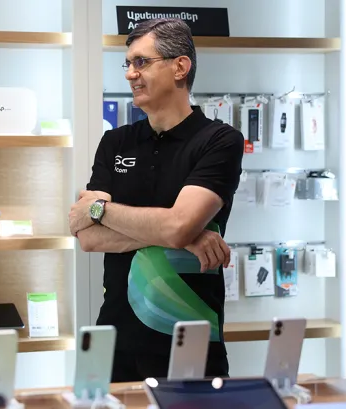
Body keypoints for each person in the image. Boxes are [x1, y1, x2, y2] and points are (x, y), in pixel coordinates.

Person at [68, 18, 244, 382]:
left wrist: (100, 210)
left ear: (180, 67)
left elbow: (178, 226)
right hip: (113, 338)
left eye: (141, 62)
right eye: (128, 64)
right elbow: (88, 237)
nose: (130, 74)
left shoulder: (219, 141)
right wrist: (184, 236)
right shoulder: (115, 142)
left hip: (190, 338)